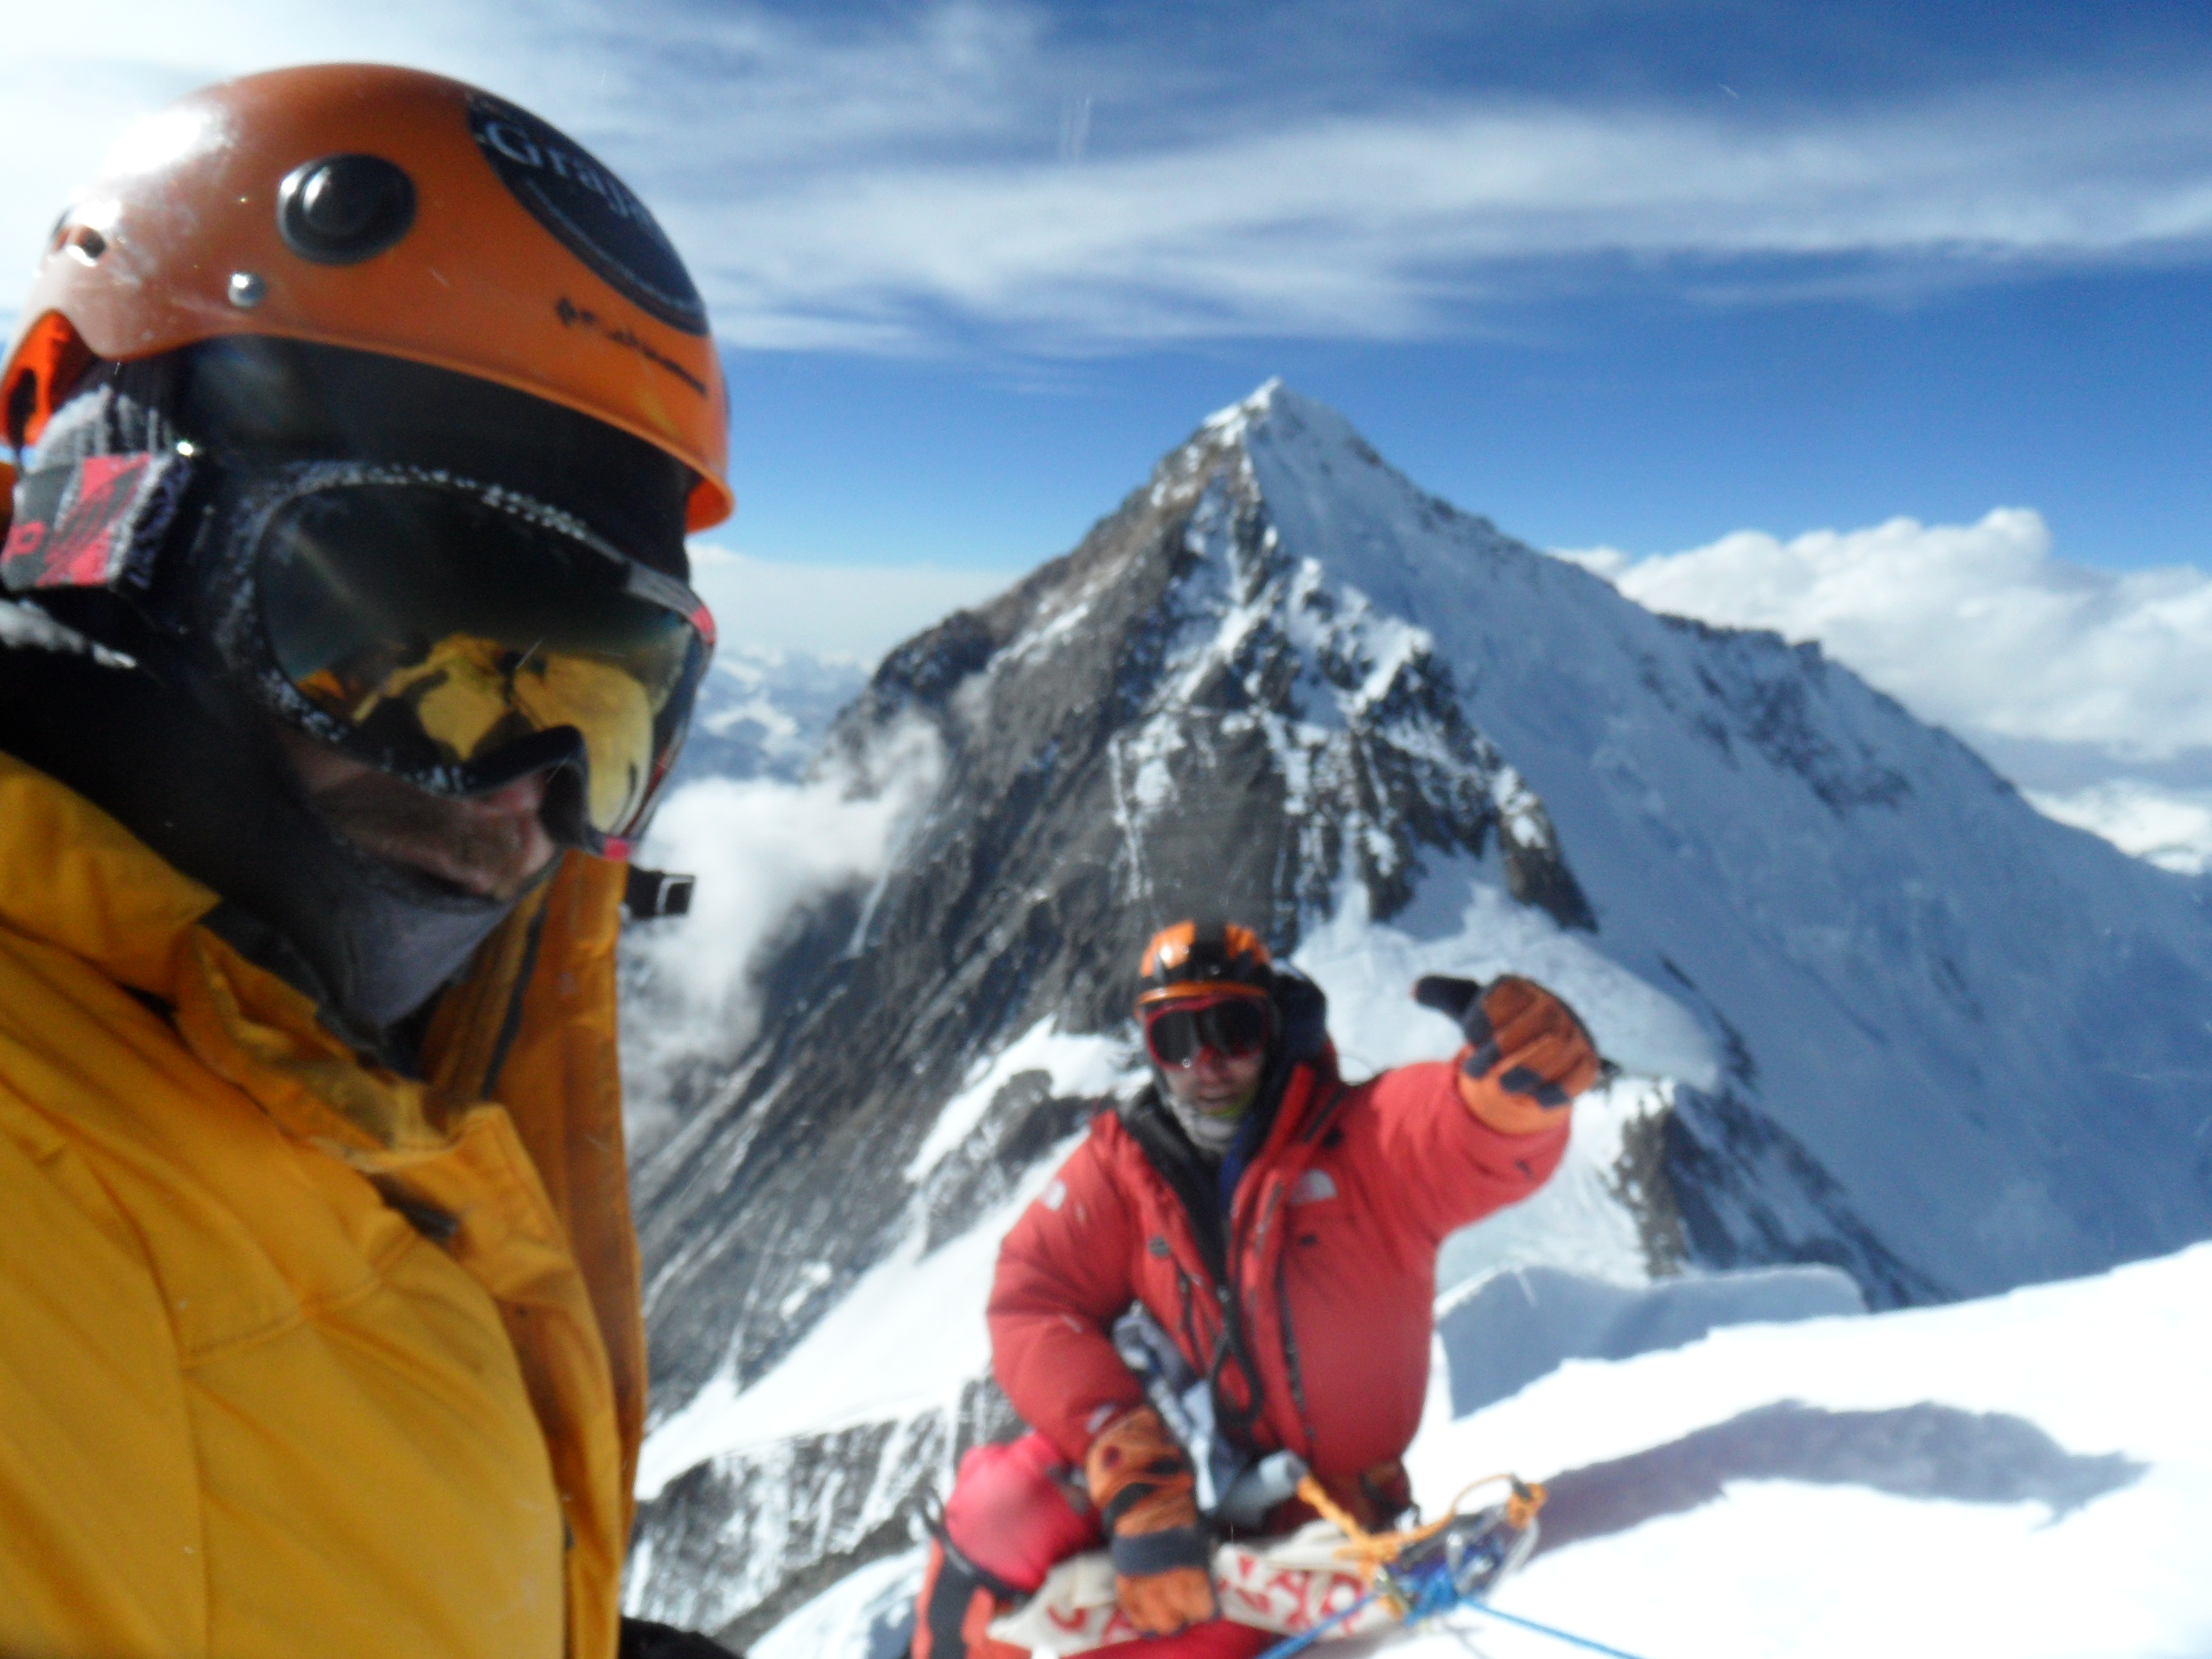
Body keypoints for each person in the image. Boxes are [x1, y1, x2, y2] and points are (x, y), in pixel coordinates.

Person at [0, 65, 735, 1659]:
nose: (527, 794)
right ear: (99, 525)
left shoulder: (331, 1087)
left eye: (609, 704)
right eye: (413, 643)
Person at [915, 920, 1602, 1658]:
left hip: (1323, 1522)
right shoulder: (1128, 1169)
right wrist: (1127, 1457)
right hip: (1174, 1478)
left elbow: (1453, 1135)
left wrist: (1513, 1099)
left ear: (1273, 1028)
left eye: (1232, 1030)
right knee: (997, 1514)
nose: (1206, 1064)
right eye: (1177, 1039)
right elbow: (1035, 1295)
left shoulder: (1360, 1141)